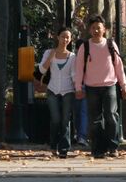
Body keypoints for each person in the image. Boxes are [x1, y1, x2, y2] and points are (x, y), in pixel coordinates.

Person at [74, 15, 126, 159]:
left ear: (104, 29)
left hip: (110, 85)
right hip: (91, 87)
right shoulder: (84, 47)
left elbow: (119, 66)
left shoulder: (110, 44)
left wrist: (124, 85)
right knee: (95, 120)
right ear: (89, 30)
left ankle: (112, 146)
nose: (96, 30)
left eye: (99, 27)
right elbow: (79, 68)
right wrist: (78, 87)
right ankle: (98, 148)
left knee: (111, 115)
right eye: (93, 28)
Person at [39, 26, 78, 158]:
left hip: (68, 91)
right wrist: (51, 56)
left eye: (68, 37)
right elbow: (42, 70)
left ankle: (64, 148)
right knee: (55, 119)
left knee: (65, 120)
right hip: (53, 89)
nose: (65, 39)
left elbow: (74, 74)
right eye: (63, 36)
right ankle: (53, 145)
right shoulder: (49, 52)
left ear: (70, 39)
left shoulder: (72, 56)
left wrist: (78, 89)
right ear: (58, 37)